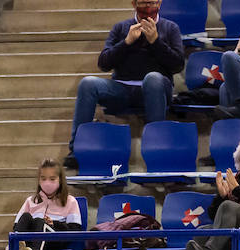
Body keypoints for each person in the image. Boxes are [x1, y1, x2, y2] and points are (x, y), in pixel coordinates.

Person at [64, 0, 182, 170]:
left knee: (152, 78)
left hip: (155, 89)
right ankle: (77, 150)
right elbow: (104, 63)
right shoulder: (120, 28)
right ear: (134, 4)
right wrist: (126, 42)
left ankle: (157, 149)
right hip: (122, 88)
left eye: (151, 2)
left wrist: (155, 41)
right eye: (142, 3)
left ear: (160, 2)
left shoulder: (170, 28)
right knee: (88, 83)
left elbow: (178, 65)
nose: (147, 8)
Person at [12, 158, 83, 250]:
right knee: (26, 216)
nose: (47, 182)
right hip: (30, 238)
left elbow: (75, 230)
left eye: (52, 179)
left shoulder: (71, 201)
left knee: (40, 222)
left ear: (60, 180)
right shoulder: (31, 201)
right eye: (43, 179)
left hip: (56, 240)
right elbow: (17, 225)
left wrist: (54, 224)